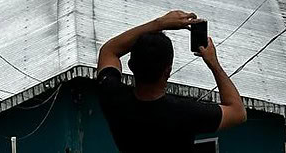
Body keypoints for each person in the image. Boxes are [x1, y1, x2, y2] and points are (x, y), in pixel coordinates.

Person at [96, 10, 247, 152]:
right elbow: (238, 112)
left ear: (130, 66)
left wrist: (158, 23)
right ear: (168, 71)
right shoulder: (185, 113)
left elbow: (109, 50)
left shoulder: (113, 98)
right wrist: (213, 63)